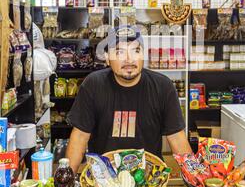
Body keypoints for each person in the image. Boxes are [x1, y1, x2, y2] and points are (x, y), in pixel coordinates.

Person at [66, 25, 192, 173]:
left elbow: (177, 138)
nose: (129, 59)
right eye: (119, 52)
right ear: (107, 58)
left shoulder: (163, 87)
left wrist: (195, 180)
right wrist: (65, 185)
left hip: (148, 179)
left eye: (136, 50)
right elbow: (80, 137)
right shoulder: (93, 85)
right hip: (104, 180)